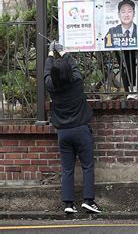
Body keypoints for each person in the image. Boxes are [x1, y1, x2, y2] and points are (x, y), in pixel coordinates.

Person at [44, 41, 101, 214]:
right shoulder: (76, 82)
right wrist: (63, 52)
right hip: (81, 130)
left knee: (67, 169)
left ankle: (68, 204)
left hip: (63, 132)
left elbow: (47, 72)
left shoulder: (51, 86)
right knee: (87, 166)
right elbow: (75, 67)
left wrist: (50, 54)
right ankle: (88, 201)